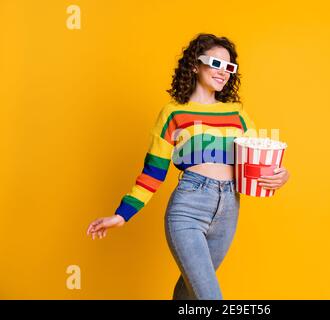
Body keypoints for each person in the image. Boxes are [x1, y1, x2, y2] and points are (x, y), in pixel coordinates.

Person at [86, 33, 290, 299]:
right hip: (189, 208)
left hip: (229, 209)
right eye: (215, 63)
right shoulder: (173, 112)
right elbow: (153, 172)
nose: (223, 73)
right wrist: (122, 214)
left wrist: (282, 175)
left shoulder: (238, 114)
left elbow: (260, 159)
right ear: (195, 65)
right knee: (209, 298)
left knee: (189, 292)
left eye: (229, 67)